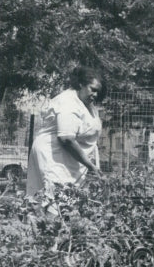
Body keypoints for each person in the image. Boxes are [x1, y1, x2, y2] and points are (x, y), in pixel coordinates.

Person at [26, 66, 104, 203]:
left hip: (70, 158)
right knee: (56, 199)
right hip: (54, 154)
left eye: (98, 92)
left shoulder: (86, 103)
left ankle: (48, 223)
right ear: (81, 84)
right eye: (93, 89)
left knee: (68, 199)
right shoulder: (68, 102)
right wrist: (90, 166)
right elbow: (66, 139)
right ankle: (45, 223)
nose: (96, 95)